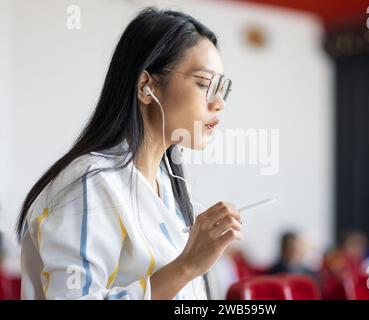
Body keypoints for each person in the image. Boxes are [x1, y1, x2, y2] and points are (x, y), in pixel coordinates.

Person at [17, 7, 241, 300]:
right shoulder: (91, 182)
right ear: (147, 86)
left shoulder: (166, 183)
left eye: (222, 88)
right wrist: (186, 266)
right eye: (203, 83)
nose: (218, 103)